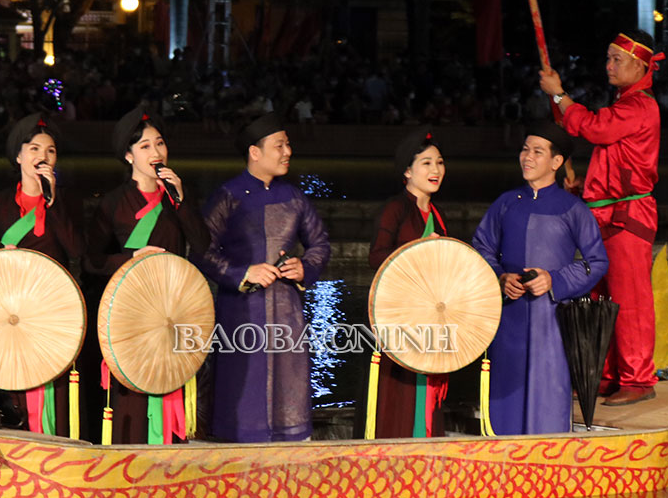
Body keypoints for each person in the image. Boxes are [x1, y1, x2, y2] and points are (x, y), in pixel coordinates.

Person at [539, 29, 661, 406]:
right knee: (601, 298)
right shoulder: (626, 104)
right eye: (607, 58)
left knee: (629, 298)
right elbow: (607, 155)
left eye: (616, 59)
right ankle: (609, 376)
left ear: (640, 65)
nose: (608, 66)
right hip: (604, 214)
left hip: (628, 215)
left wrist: (559, 95)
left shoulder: (639, 106)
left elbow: (594, 128)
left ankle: (638, 380)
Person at [194, 113, 331, 443]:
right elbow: (201, 252)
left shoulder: (295, 197)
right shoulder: (228, 195)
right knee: (241, 389)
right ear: (255, 152)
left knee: (290, 386)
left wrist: (305, 266)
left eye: (288, 145)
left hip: (287, 312)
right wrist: (243, 273)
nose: (287, 151)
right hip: (241, 311)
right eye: (279, 145)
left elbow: (320, 243)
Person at [471, 123, 609, 435]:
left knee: (549, 390)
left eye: (537, 151)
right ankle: (499, 453)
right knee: (504, 388)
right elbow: (481, 248)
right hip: (509, 316)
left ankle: (546, 458)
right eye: (524, 149)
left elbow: (597, 261)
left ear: (556, 162)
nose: (527, 157)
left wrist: (555, 280)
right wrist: (500, 276)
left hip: (553, 321)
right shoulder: (505, 203)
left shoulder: (573, 209)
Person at [84, 108, 210, 444]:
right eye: (144, 147)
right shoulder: (113, 203)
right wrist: (130, 258)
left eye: (160, 144)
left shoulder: (178, 196)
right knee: (131, 400)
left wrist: (181, 201)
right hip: (130, 316)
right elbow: (92, 261)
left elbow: (201, 246)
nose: (155, 153)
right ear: (128, 156)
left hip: (171, 312)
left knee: (174, 380)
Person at [0, 114, 84, 436]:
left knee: (53, 383)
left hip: (53, 311)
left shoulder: (65, 202)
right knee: (13, 382)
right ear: (18, 156)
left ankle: (56, 439)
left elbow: (76, 251)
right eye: (34, 149)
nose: (42, 157)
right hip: (11, 311)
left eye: (50, 151)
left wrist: (53, 203)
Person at [365, 127, 450, 438]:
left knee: (430, 391)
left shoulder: (437, 214)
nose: (435, 170)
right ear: (407, 171)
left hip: (431, 320)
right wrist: (418, 250)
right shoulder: (396, 208)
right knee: (401, 397)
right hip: (401, 319)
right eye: (426, 163)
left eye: (439, 162)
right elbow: (376, 257)